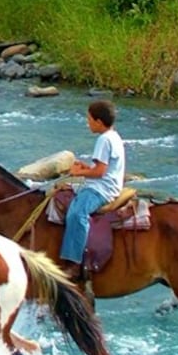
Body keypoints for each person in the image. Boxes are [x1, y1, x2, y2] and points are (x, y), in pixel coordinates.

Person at [60, 99, 126, 280]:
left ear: (98, 121)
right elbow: (100, 167)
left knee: (76, 213)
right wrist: (84, 168)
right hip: (106, 184)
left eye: (89, 119)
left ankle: (74, 263)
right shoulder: (114, 136)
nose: (87, 122)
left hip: (101, 190)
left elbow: (100, 171)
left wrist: (77, 173)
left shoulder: (103, 140)